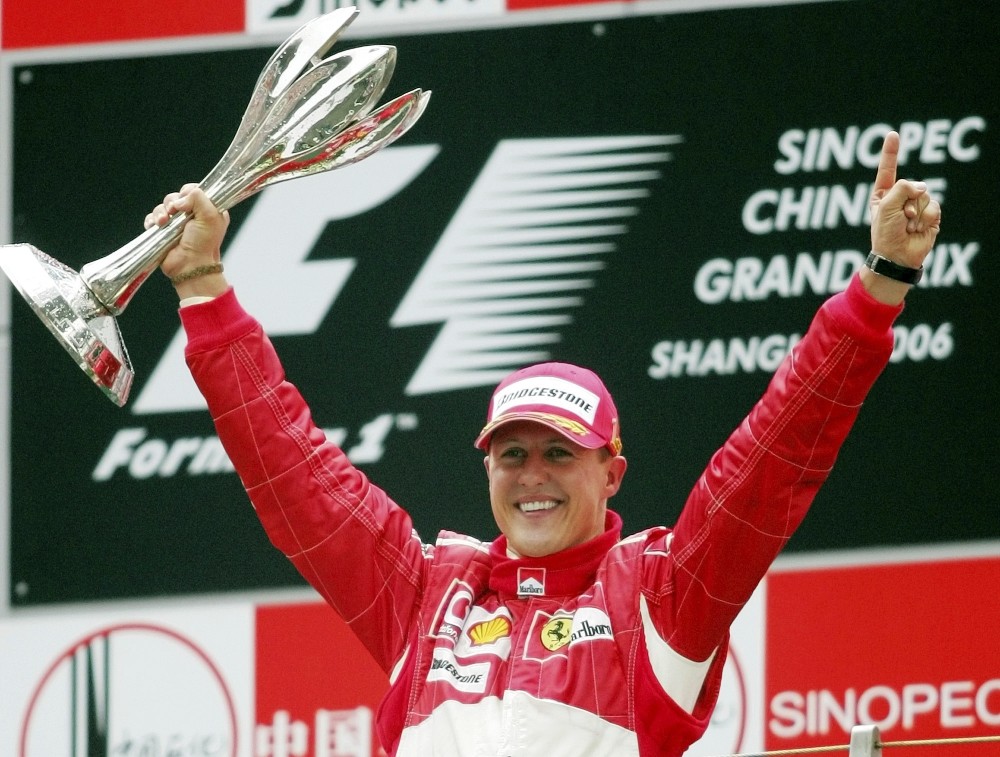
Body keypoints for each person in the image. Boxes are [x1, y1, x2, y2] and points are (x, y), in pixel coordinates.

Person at [148, 130, 940, 756]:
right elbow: (298, 475)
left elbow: (772, 458)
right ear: (487, 464)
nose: (533, 475)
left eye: (561, 452)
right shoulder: (426, 599)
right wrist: (203, 289)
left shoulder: (660, 600)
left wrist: (874, 291)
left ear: (612, 471)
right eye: (512, 452)